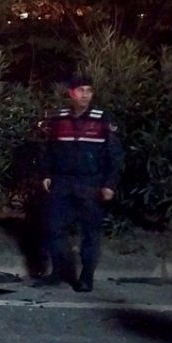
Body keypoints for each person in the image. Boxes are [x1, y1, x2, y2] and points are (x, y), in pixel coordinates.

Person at [36, 75, 124, 293]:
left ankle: (86, 277)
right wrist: (46, 173)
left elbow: (115, 155)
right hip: (62, 182)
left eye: (89, 90)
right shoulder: (59, 119)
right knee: (54, 228)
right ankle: (58, 272)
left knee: (90, 232)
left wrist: (109, 184)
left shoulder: (102, 119)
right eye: (81, 90)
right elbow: (49, 149)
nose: (85, 95)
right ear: (71, 93)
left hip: (90, 183)